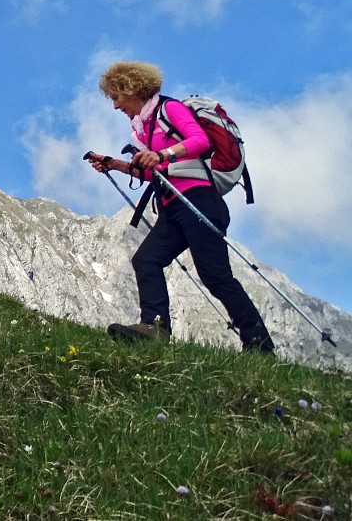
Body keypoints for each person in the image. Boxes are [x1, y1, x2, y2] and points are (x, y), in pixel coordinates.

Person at [88, 61, 273, 352]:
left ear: (131, 88)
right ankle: (154, 327)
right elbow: (153, 173)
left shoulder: (169, 109)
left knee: (216, 276)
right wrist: (116, 165)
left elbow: (199, 141)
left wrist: (162, 153)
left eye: (116, 96)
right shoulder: (142, 129)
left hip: (199, 201)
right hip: (173, 207)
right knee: (147, 260)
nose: (114, 106)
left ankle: (259, 345)